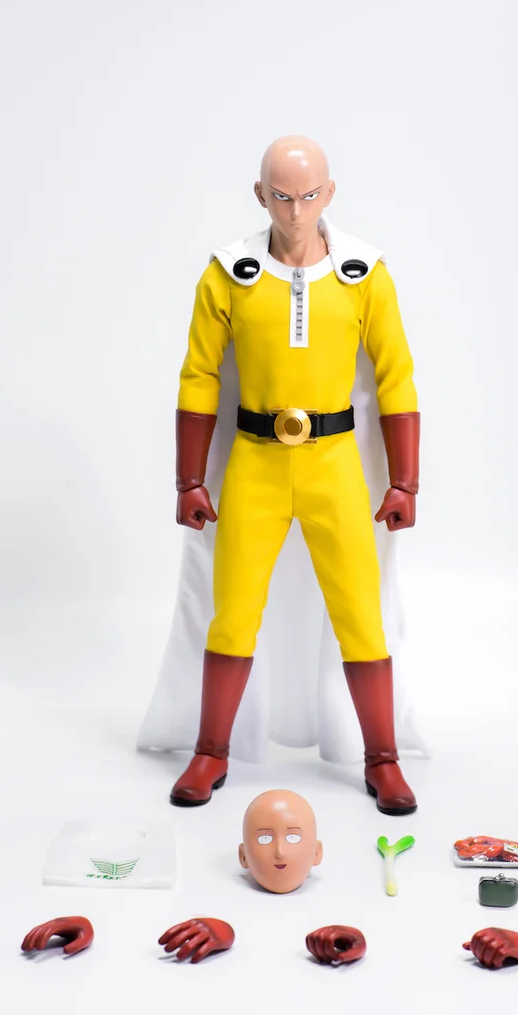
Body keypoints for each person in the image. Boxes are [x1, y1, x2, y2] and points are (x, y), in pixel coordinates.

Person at [145, 135, 423, 815]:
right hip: (256, 461)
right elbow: (199, 374)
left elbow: (397, 376)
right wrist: (188, 479)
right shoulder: (229, 273)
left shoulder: (364, 273)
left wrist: (405, 481)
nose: (295, 211)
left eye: (308, 196)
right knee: (233, 611)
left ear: (329, 194)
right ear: (260, 195)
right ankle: (210, 751)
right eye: (281, 196)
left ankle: (382, 758)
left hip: (333, 464)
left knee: (360, 613)